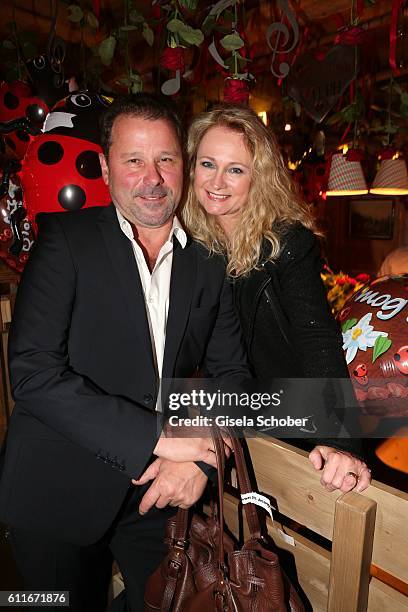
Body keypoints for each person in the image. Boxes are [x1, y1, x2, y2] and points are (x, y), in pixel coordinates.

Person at [0, 94, 250, 611]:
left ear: (182, 163)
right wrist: (160, 438)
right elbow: (32, 373)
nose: (152, 177)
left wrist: (201, 465)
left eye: (165, 159)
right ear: (108, 169)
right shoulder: (65, 241)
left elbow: (233, 376)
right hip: (53, 489)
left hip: (158, 496)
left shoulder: (209, 260)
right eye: (133, 161)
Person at [182, 104, 371, 494]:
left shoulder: (287, 242)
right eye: (207, 164)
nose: (217, 181)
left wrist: (340, 442)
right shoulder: (186, 240)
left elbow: (317, 339)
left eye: (236, 169)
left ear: (258, 177)